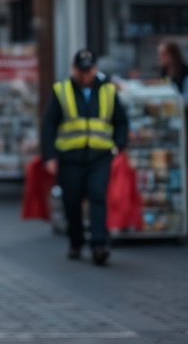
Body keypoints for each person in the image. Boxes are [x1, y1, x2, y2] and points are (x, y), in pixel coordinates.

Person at [41, 48, 129, 266]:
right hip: (70, 158)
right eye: (80, 71)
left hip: (100, 157)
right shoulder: (62, 90)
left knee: (98, 196)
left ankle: (99, 245)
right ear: (74, 69)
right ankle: (76, 242)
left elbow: (121, 121)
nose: (84, 75)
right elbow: (48, 125)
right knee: (72, 203)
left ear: (95, 69)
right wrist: (50, 156)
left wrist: (118, 146)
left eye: (88, 71)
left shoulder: (108, 90)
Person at [158, 40, 188, 216]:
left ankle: (187, 209)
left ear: (172, 55)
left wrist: (172, 100)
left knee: (184, 167)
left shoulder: (186, 73)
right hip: (169, 129)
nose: (160, 59)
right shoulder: (163, 73)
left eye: (163, 55)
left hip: (185, 129)